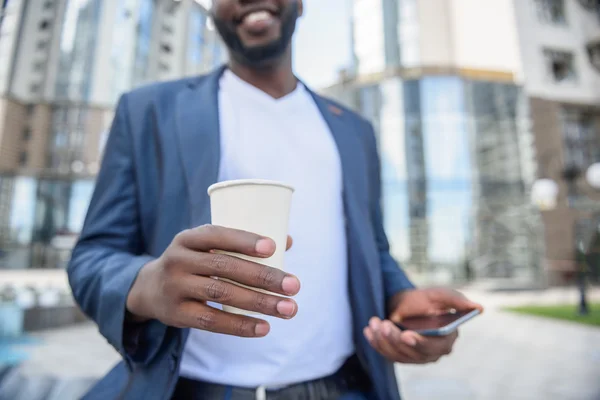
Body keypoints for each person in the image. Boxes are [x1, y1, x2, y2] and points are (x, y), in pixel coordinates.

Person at [67, 1, 483, 399]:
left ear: (301, 4)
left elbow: (371, 247)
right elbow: (92, 258)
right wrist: (146, 285)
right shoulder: (147, 112)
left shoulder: (354, 131)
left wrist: (401, 298)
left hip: (344, 387)